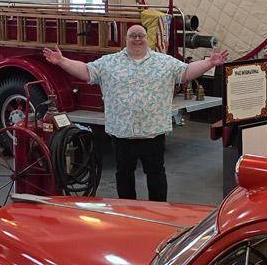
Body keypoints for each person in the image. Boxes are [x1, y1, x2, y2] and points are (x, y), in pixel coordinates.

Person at [42, 24, 228, 201]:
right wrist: (61, 61)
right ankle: (128, 211)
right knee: (124, 174)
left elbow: (186, 71)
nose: (137, 39)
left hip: (152, 133)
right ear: (126, 39)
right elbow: (86, 72)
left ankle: (158, 210)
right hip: (122, 134)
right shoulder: (109, 62)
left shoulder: (164, 62)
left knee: (156, 173)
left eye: (141, 36)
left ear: (147, 39)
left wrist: (209, 63)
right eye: (133, 36)